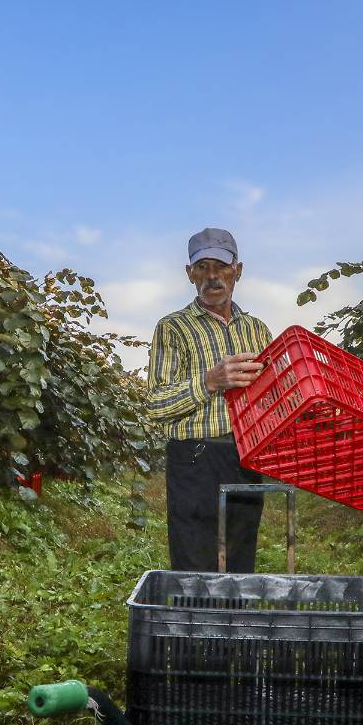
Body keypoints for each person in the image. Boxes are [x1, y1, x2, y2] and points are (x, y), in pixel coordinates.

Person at [147, 227, 274, 572]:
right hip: (195, 458)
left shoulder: (257, 330)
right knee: (195, 558)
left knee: (239, 555)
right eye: (202, 267)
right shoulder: (173, 327)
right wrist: (209, 381)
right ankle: (197, 623)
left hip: (245, 457)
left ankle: (233, 623)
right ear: (189, 274)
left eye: (221, 266)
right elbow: (156, 404)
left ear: (238, 270)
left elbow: (271, 397)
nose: (212, 276)